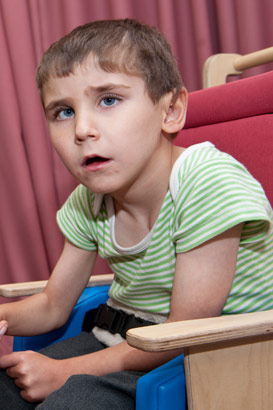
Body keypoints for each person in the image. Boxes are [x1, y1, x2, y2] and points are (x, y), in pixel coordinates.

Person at [0, 18, 272, 409]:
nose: (82, 129)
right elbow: (52, 306)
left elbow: (186, 331)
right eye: (62, 111)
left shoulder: (206, 180)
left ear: (172, 110)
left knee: (71, 402)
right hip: (123, 338)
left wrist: (63, 372)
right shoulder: (86, 201)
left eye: (108, 100)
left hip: (214, 355)